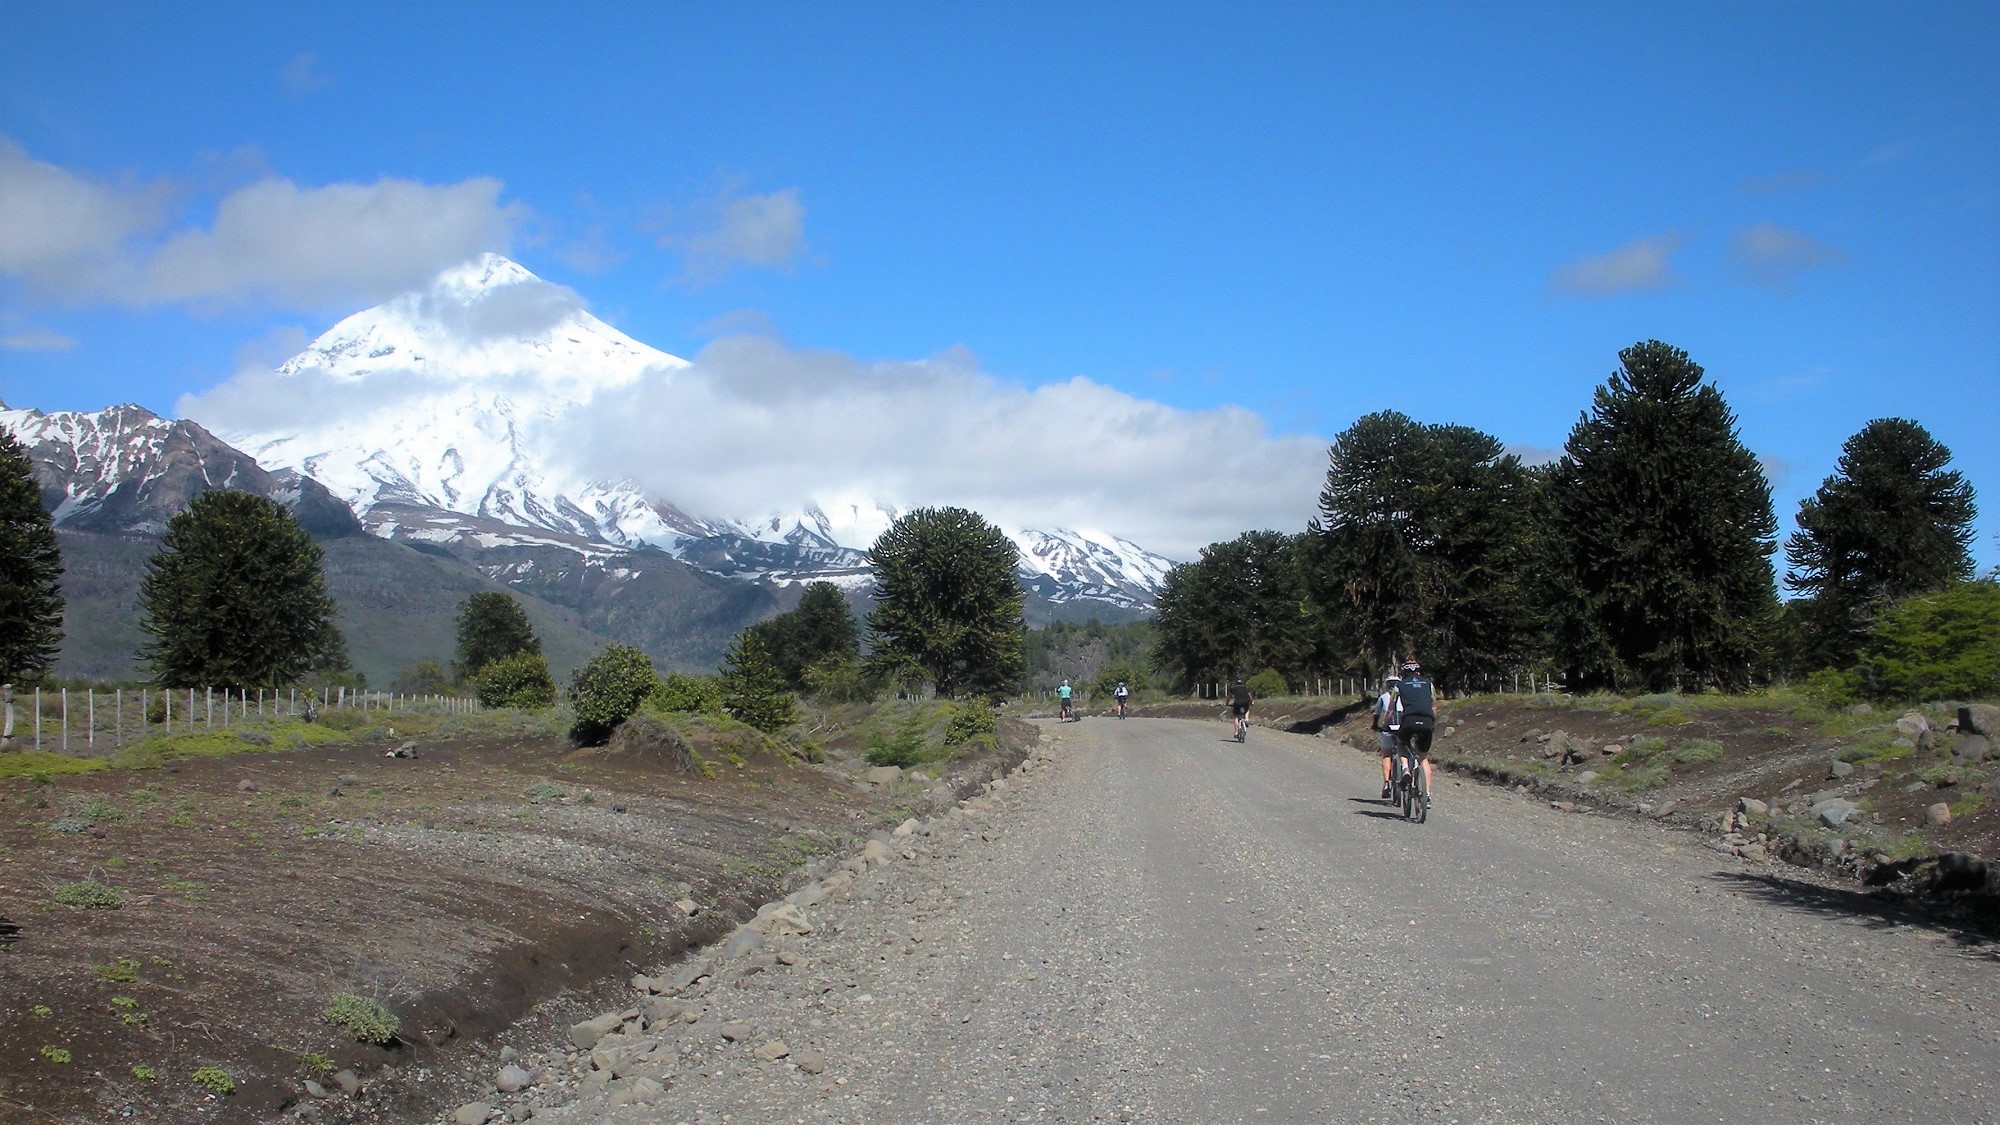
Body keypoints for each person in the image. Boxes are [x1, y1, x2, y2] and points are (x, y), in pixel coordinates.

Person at [1396, 659, 1438, 807]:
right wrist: (1433, 723)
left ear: (1404, 673)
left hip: (1409, 720)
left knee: (1401, 743)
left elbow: (1392, 710)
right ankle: (1427, 795)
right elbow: (1433, 706)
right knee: (1423, 758)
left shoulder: (1400, 685)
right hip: (1427, 721)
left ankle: (1405, 769)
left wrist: (1383, 723)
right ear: (1418, 672)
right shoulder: (1428, 684)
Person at [1371, 674, 1402, 799]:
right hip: (1403, 728)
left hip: (1389, 728)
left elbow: (1377, 713)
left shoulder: (1383, 697)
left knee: (1386, 754)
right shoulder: (1405, 697)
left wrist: (1375, 725)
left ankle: (1386, 783)